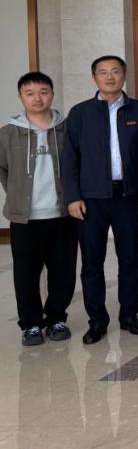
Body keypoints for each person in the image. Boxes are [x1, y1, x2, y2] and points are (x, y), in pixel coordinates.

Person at [62, 55, 138, 345]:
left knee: (130, 259)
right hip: (91, 199)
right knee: (92, 262)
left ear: (124, 75)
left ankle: (129, 316)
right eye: (103, 72)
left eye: (115, 71)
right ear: (94, 77)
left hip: (127, 196)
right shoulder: (80, 113)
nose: (109, 77)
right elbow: (70, 159)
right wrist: (73, 197)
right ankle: (97, 321)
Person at [0, 72, 75, 346]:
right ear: (21, 97)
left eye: (43, 91)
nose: (37, 98)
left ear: (52, 94)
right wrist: (17, 193)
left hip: (63, 214)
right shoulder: (7, 133)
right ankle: (30, 324)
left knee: (62, 271)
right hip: (25, 218)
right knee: (26, 274)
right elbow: (3, 169)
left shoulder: (67, 130)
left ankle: (56, 319)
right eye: (29, 93)